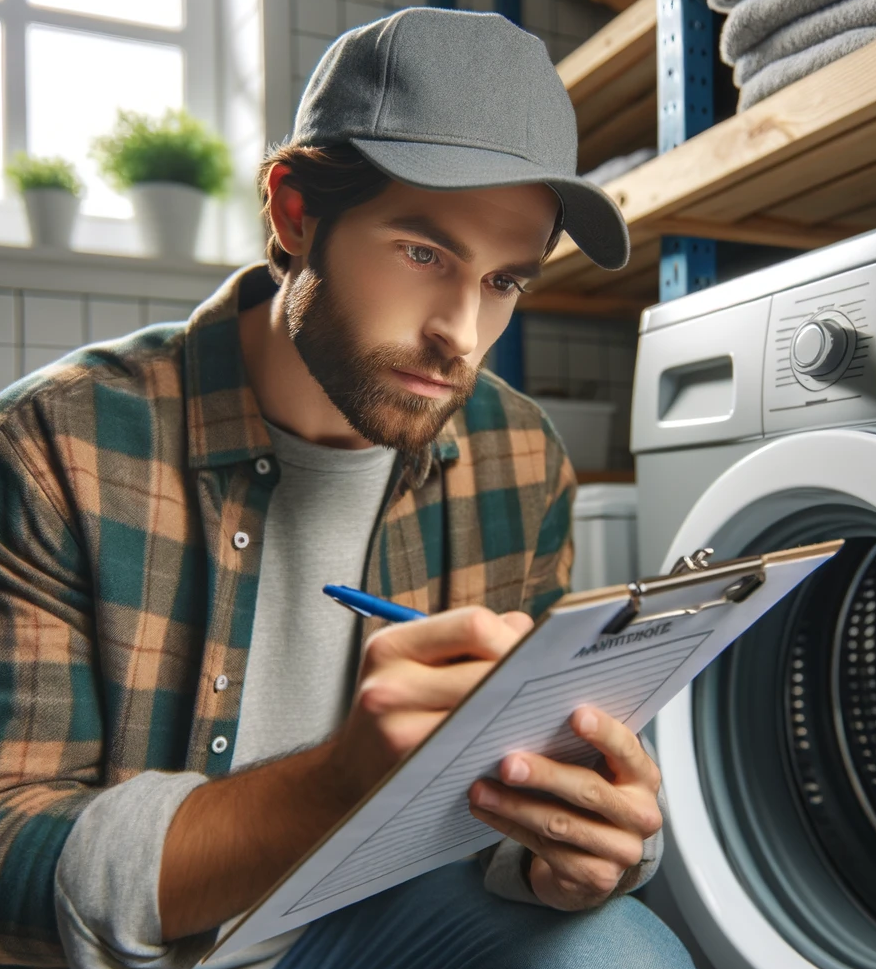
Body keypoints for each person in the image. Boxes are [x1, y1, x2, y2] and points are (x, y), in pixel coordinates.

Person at [0, 9, 694, 969]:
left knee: (618, 949)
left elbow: (508, 787)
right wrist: (337, 783)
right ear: (295, 212)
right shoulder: (56, 443)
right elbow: (11, 857)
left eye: (504, 282)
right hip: (153, 950)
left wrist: (566, 845)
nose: (462, 330)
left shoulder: (520, 455)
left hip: (381, 922)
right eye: (424, 253)